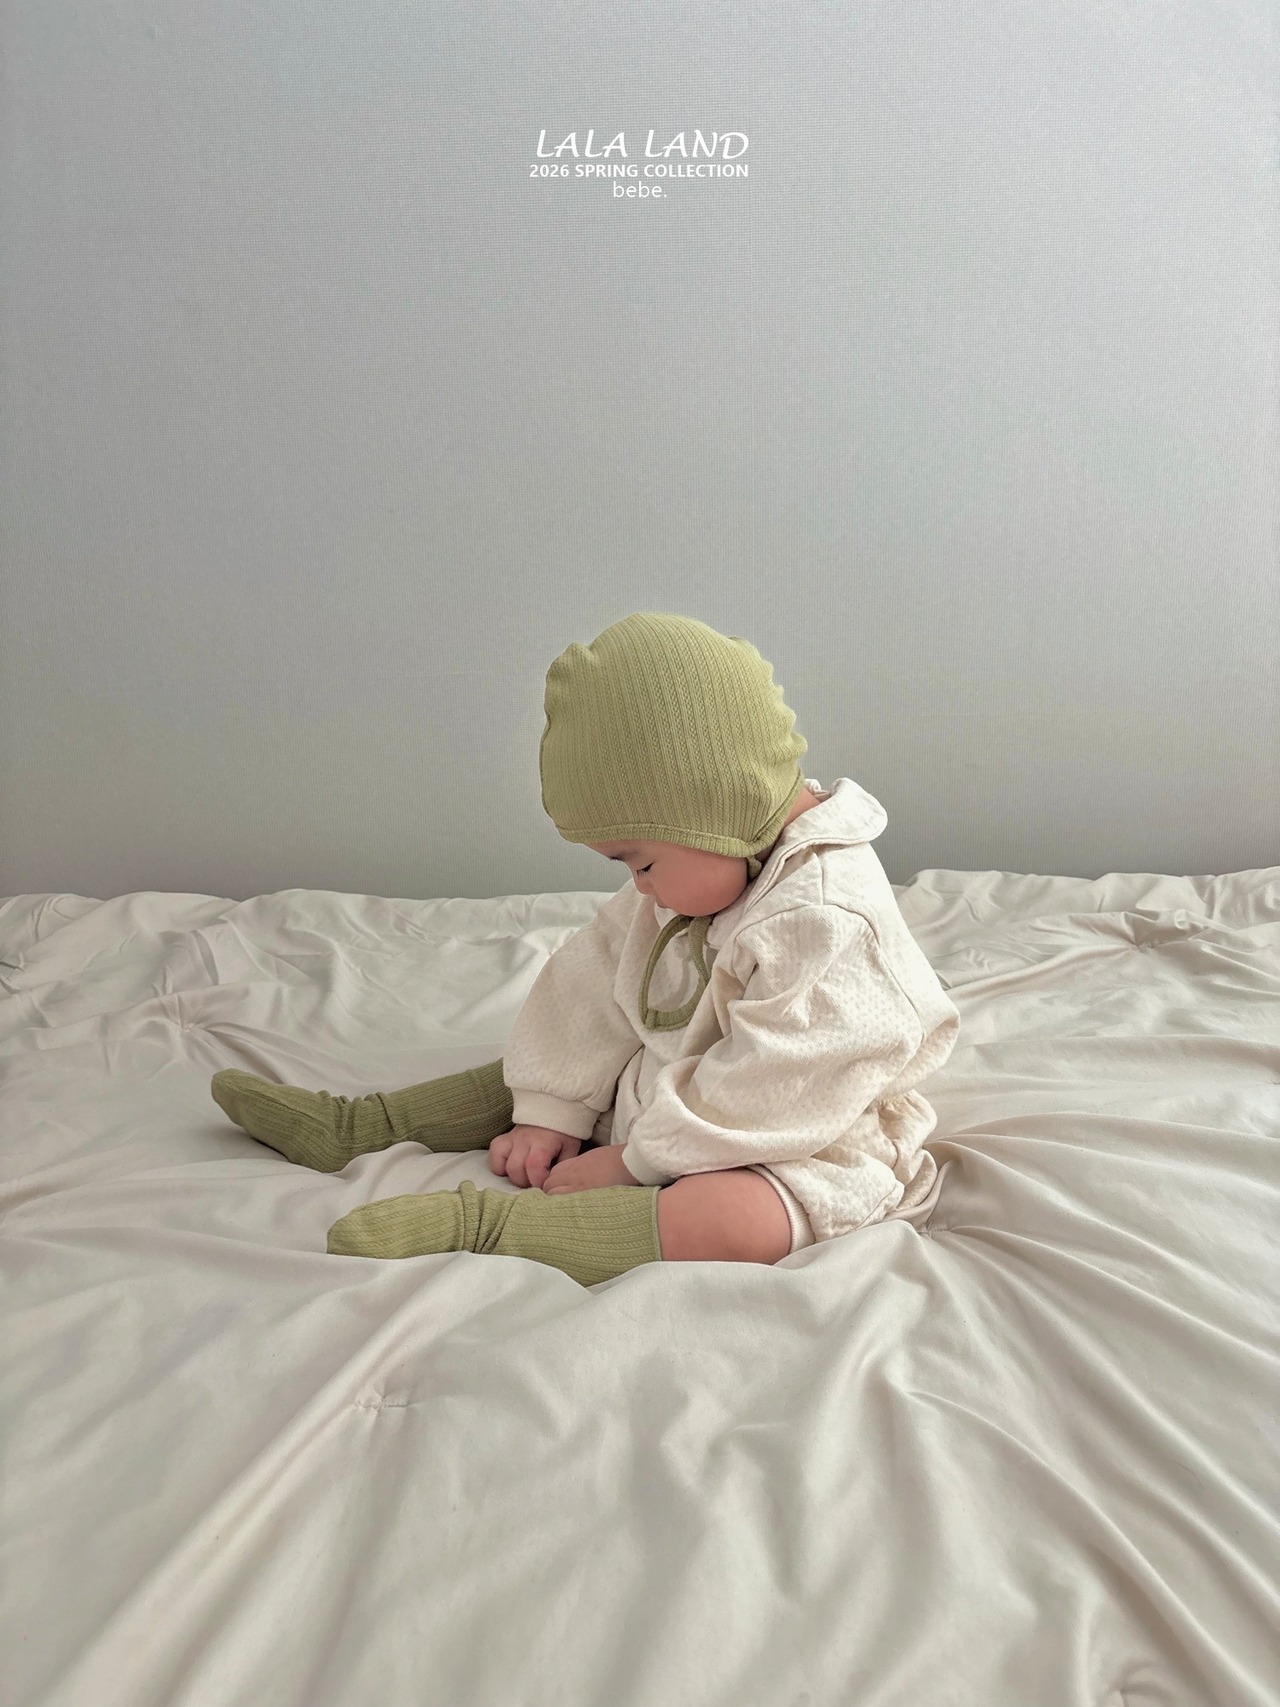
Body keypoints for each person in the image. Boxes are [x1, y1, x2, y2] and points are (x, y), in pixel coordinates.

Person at [210, 611, 960, 1287]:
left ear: (709, 809)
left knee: (740, 1219)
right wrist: (551, 1107)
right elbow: (596, 979)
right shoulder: (713, 859)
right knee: (554, 1068)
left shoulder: (827, 920)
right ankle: (361, 1126)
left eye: (639, 860)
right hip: (687, 1096)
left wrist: (634, 1163)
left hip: (804, 1131)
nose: (638, 886)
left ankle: (491, 1227)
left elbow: (776, 1085)